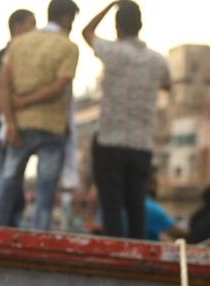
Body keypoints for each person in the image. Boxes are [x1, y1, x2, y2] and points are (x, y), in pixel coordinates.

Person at [82, 0, 171, 239]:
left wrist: (111, 4)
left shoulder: (113, 51)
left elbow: (87, 32)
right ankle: (139, 250)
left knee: (111, 204)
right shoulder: (158, 60)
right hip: (141, 143)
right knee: (136, 204)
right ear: (140, 26)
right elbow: (168, 84)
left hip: (110, 139)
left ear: (118, 28)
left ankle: (114, 249)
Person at [0, 0, 81, 231]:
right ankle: (39, 238)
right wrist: (28, 101)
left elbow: (3, 83)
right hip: (52, 128)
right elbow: (60, 86)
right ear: (67, 19)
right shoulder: (68, 47)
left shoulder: (20, 43)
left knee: (7, 188)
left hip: (19, 126)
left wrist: (10, 121)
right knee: (45, 192)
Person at [0, 9, 36, 225]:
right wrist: (9, 120)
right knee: (9, 191)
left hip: (10, 133)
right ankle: (1, 232)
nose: (35, 29)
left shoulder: (23, 59)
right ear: (18, 27)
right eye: (31, 23)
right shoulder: (3, 57)